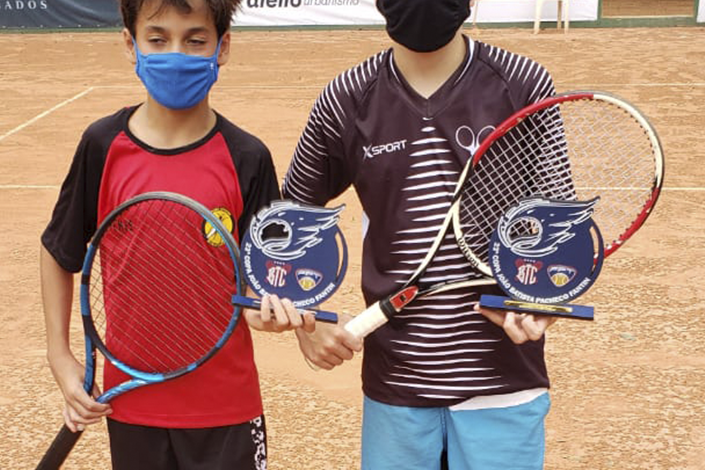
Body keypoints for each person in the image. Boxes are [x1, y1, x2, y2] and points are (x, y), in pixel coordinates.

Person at [282, 1, 560, 469]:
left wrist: (539, 301)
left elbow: (557, 229)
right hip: (397, 386)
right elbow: (289, 224)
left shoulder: (523, 83)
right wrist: (305, 321)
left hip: (504, 380)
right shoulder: (346, 97)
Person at [39, 1, 312, 468]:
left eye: (195, 40)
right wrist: (59, 356)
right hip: (131, 406)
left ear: (223, 47)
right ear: (131, 44)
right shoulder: (102, 146)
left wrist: (269, 313)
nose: (176, 54)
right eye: (158, 39)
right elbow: (58, 252)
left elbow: (266, 280)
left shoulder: (247, 157)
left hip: (227, 406)